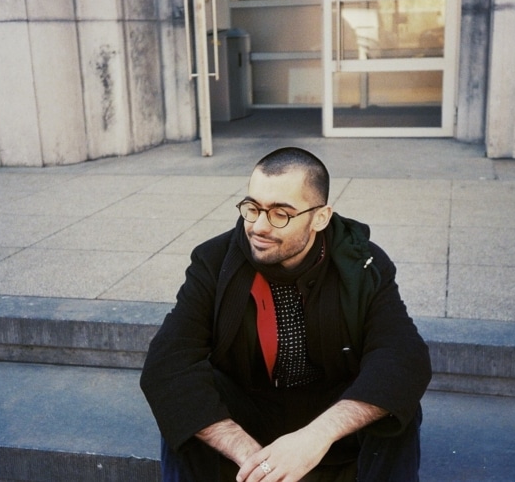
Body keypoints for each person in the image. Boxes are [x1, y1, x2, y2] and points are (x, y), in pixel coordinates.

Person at [140, 147, 432, 481]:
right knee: (183, 404)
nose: (258, 227)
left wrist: (315, 437)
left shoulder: (363, 263)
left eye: (280, 214)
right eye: (252, 208)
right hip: (249, 412)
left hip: (329, 413)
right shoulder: (214, 260)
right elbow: (168, 362)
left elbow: (403, 355)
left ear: (320, 217)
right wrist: (254, 459)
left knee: (394, 404)